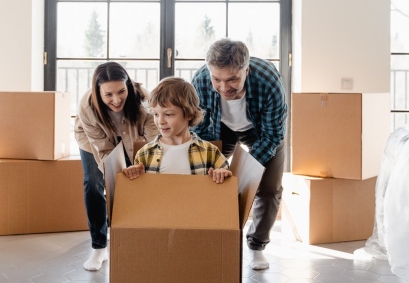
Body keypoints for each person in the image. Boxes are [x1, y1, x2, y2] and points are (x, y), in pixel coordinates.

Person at [191, 39, 287, 270]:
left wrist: (244, 173)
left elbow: (273, 135)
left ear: (246, 70)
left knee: (269, 187)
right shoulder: (201, 80)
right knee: (209, 180)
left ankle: (256, 246)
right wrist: (215, 165)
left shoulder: (268, 80)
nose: (224, 88)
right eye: (217, 79)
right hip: (219, 127)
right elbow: (199, 130)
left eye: (232, 79)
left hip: (260, 131)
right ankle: (214, 240)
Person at [74, 62, 158, 271]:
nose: (117, 99)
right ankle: (99, 246)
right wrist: (118, 171)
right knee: (93, 182)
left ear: (128, 85)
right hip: (94, 141)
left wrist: (138, 165)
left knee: (135, 180)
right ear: (98, 91)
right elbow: (103, 150)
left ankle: (135, 236)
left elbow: (152, 139)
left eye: (121, 91)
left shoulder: (144, 100)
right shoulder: (87, 106)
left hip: (133, 138)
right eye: (108, 95)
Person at [123, 76, 232, 183]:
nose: (160, 121)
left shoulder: (210, 152)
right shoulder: (144, 154)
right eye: (156, 114)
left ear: (189, 114)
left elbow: (227, 178)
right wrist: (132, 174)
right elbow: (139, 192)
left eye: (168, 114)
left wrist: (222, 173)